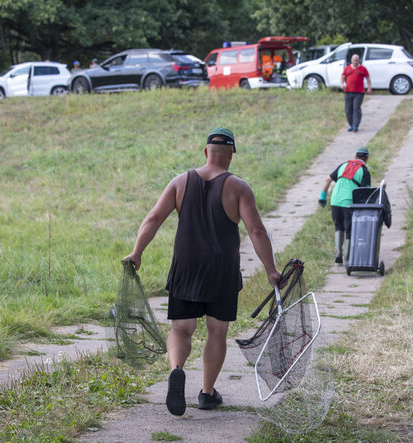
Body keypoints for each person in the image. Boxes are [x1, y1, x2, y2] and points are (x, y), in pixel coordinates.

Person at [125, 128, 282, 416]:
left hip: (186, 266)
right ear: (231, 154)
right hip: (221, 270)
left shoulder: (180, 182)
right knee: (216, 331)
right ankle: (207, 393)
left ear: (206, 152)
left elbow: (153, 218)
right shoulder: (239, 188)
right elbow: (257, 230)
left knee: (181, 328)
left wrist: (137, 253)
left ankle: (176, 369)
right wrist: (271, 270)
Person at [318, 147, 371, 263]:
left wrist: (323, 196)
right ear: (366, 158)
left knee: (338, 226)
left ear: (356, 156)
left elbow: (328, 179)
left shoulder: (343, 165)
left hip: (335, 201)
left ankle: (338, 253)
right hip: (349, 203)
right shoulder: (364, 171)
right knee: (350, 230)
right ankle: (347, 257)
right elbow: (365, 192)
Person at [341, 54, 372, 133]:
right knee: (348, 109)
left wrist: (369, 87)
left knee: (356, 108)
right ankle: (351, 124)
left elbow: (368, 77)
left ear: (359, 60)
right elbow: (343, 76)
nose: (355, 62)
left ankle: (356, 125)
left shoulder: (363, 69)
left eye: (356, 60)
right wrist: (342, 84)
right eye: (354, 60)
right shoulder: (347, 68)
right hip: (348, 91)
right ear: (351, 60)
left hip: (359, 92)